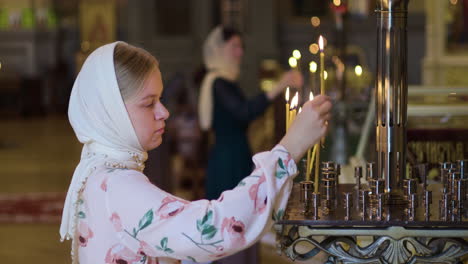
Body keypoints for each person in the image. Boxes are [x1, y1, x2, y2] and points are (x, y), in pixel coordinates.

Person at [60, 41, 332, 264]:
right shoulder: (118, 186)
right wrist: (290, 148)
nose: (163, 112)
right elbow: (212, 228)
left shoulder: (99, 172)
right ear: (112, 113)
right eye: (148, 103)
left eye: (160, 99)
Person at [199, 26, 303, 201]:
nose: (240, 52)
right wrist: (279, 86)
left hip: (237, 153)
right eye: (235, 46)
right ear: (220, 48)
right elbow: (244, 112)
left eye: (241, 47)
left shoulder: (227, 81)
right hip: (227, 159)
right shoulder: (218, 82)